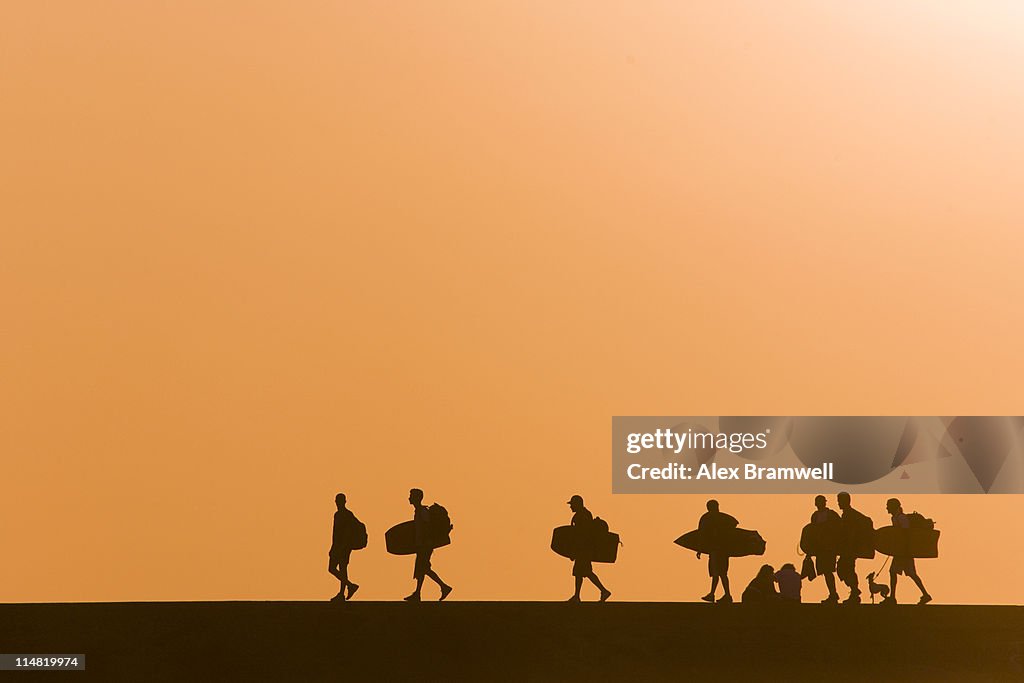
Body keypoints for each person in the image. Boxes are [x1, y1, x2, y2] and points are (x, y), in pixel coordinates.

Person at [404, 488, 453, 602]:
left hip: (425, 545)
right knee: (422, 569)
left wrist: (425, 542)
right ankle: (417, 593)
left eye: (411, 496)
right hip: (421, 545)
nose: (409, 498)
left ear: (417, 498)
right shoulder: (418, 511)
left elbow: (426, 528)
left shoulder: (423, 511)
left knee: (424, 568)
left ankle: (444, 587)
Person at [882, 498, 932, 605]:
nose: (886, 508)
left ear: (893, 506)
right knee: (908, 573)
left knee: (900, 573)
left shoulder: (901, 518)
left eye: (888, 505)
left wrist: (902, 548)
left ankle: (893, 598)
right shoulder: (895, 518)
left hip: (904, 552)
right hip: (901, 551)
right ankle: (925, 594)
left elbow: (906, 533)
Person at [566, 495, 612, 602]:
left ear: (577, 504)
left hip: (583, 550)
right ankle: (578, 596)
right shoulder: (582, 514)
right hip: (583, 550)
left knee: (583, 572)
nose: (571, 507)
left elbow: (581, 535)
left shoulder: (583, 516)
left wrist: (575, 551)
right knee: (581, 573)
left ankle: (603, 591)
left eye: (572, 504)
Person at [697, 500, 737, 604]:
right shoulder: (723, 518)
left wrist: (700, 549)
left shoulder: (706, 518)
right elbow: (734, 522)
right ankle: (722, 594)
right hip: (723, 551)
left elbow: (701, 534)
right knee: (721, 574)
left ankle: (719, 595)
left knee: (717, 573)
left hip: (715, 550)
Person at [836, 491, 870, 604]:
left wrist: (849, 547)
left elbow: (850, 533)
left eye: (840, 501)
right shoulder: (848, 514)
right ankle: (854, 591)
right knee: (845, 569)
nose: (838, 503)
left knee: (846, 569)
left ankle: (855, 591)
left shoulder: (849, 514)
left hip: (849, 549)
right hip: (848, 549)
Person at [327, 493, 360, 602]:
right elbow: (335, 533)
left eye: (339, 501)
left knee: (342, 568)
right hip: (338, 546)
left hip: (344, 547)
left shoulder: (347, 515)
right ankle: (349, 586)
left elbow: (347, 532)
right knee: (332, 568)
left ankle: (342, 593)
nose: (337, 503)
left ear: (344, 502)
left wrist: (344, 545)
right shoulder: (337, 514)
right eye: (336, 500)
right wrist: (333, 547)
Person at [810, 495, 841, 604]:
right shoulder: (814, 516)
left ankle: (833, 594)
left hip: (829, 549)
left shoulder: (831, 514)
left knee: (828, 572)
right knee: (824, 572)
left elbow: (839, 529)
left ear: (824, 503)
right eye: (817, 502)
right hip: (820, 549)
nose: (819, 504)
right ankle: (833, 594)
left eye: (821, 502)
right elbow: (812, 533)